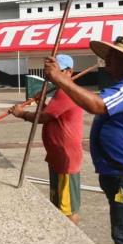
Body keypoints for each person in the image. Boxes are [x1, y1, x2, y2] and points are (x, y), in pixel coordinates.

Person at [43, 33, 123, 244]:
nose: (106, 62)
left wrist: (59, 78)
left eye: (112, 57)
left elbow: (98, 105)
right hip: (122, 173)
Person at [9, 54, 84, 225]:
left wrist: (21, 114)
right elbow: (49, 113)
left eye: (56, 71)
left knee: (68, 210)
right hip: (56, 157)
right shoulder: (59, 92)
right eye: (48, 72)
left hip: (66, 160)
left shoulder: (66, 91)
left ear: (69, 72)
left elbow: (45, 117)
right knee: (57, 204)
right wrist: (42, 102)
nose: (50, 75)